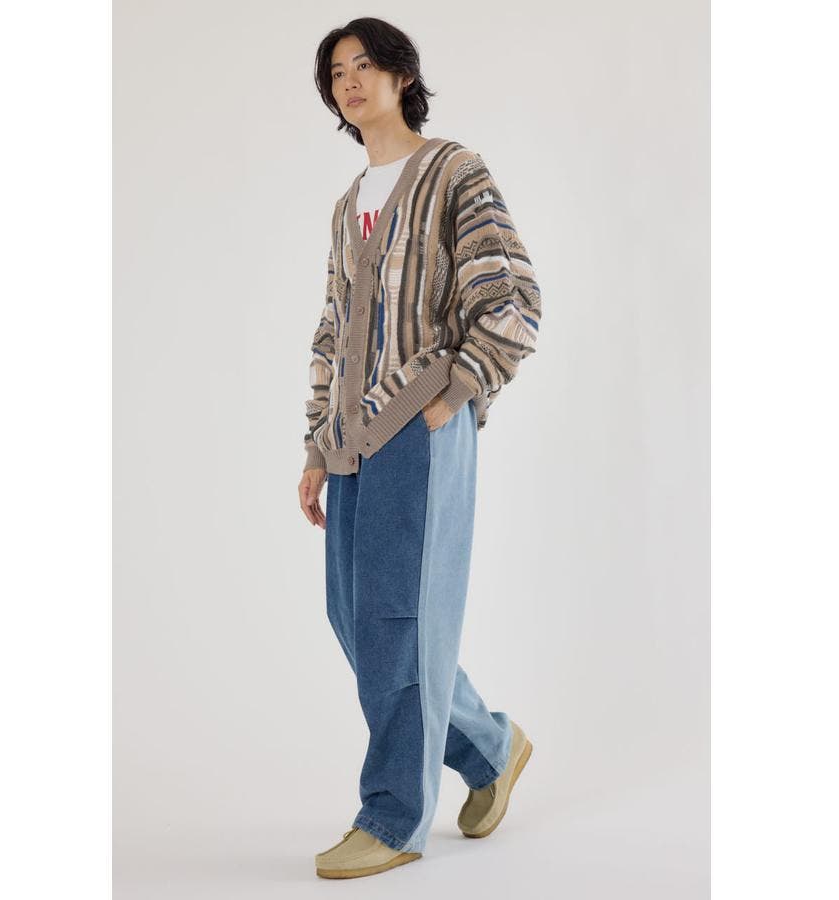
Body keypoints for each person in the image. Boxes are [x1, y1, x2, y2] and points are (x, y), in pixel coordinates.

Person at [298, 17, 541, 880]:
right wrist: (317, 445)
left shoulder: (452, 172)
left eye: (366, 63)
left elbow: (511, 297)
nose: (350, 80)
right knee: (355, 617)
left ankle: (395, 815)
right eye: (337, 71)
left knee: (397, 621)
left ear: (403, 75)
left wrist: (454, 392)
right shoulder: (348, 206)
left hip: (421, 428)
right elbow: (334, 328)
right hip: (353, 440)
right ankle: (489, 747)